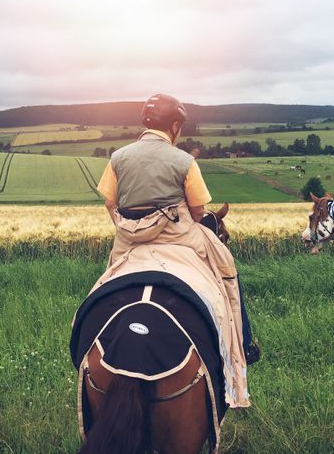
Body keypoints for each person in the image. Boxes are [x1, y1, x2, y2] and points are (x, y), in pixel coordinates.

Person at [96, 94, 260, 364]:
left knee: (107, 279)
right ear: (174, 126)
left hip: (128, 242)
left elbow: (109, 202)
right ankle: (243, 344)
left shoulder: (118, 157)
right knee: (227, 267)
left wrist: (126, 227)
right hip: (180, 238)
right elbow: (197, 211)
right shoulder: (184, 161)